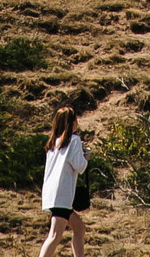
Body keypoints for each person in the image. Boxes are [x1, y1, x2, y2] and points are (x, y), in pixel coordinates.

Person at [39, 107, 88, 257]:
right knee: (54, 235)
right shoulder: (74, 140)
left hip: (52, 194)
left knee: (79, 228)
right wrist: (86, 155)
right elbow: (80, 166)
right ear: (72, 122)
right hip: (63, 195)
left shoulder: (54, 143)